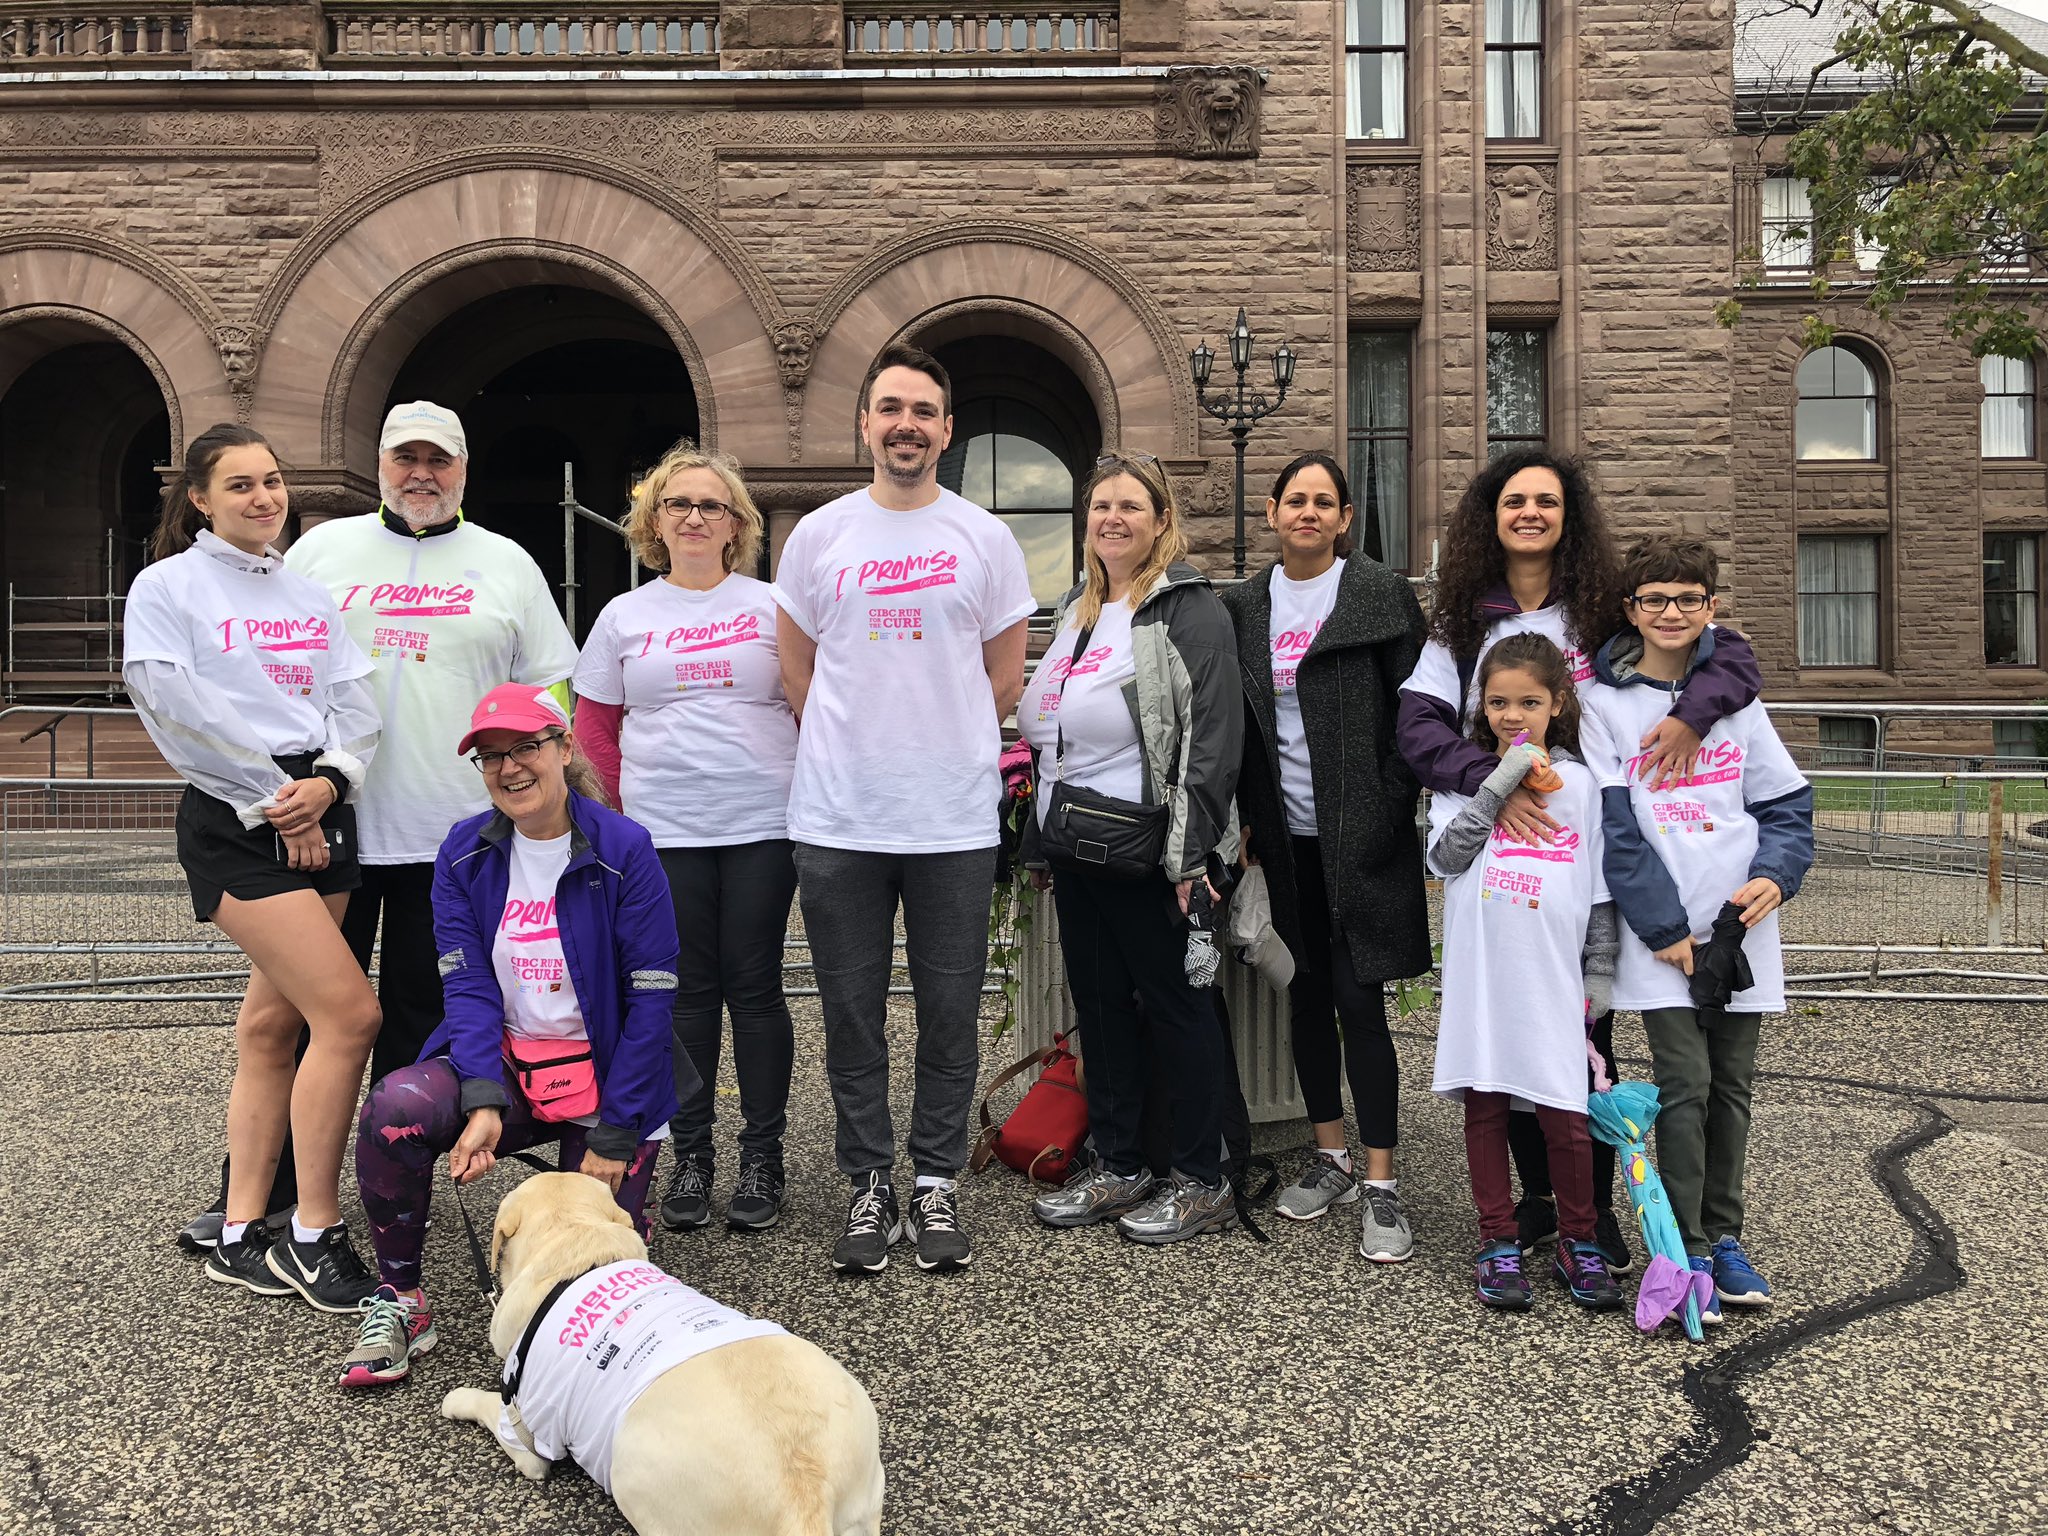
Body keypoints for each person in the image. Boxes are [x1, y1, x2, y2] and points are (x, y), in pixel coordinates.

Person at [1396, 447, 1763, 1271]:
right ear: (1489, 516)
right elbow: (1418, 729)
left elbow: (1723, 655)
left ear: (1570, 517)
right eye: (1515, 500)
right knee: (1508, 1051)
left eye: (1548, 502)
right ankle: (1531, 1208)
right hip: (1501, 833)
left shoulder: (1600, 612)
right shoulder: (1460, 620)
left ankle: (1590, 1214)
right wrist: (1498, 780)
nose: (1531, 512)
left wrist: (1696, 716)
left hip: (1582, 837)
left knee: (1583, 1040)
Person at [771, 342, 1036, 1276]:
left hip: (951, 819)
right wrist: (853, 739)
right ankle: (867, 1181)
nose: (906, 425)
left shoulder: (983, 538)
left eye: (924, 411)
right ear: (866, 423)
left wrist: (947, 738)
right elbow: (794, 663)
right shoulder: (820, 536)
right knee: (848, 1010)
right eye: (891, 408)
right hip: (839, 816)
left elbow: (1006, 670)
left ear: (947, 429)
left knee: (950, 1008)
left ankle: (933, 1183)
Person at [343, 683, 687, 1388]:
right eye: (492, 756)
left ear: (564, 748)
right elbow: (465, 986)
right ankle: (401, 1298)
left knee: (598, 1281)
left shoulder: (626, 848)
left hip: (609, 1075)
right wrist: (479, 1099)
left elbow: (650, 1000)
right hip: (508, 1064)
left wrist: (618, 1133)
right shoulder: (464, 852)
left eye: (527, 747)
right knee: (395, 1109)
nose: (510, 768)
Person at [124, 423, 385, 1310]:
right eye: (240, 485)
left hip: (319, 807)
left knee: (276, 1029)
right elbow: (173, 705)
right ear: (198, 497)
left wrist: (332, 781)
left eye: (272, 482)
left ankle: (240, 1232)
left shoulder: (308, 595)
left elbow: (353, 698)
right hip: (244, 820)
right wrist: (276, 800)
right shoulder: (167, 586)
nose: (264, 498)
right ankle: (313, 1233)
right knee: (350, 1017)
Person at [1580, 536, 1813, 1320]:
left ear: (1711, 607)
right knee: (1686, 1084)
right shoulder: (1604, 705)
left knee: (1734, 1088)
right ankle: (1687, 1241)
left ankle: (1727, 1236)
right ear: (1630, 610)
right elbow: (1617, 829)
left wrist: (1777, 874)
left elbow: (1786, 806)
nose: (1671, 612)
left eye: (1688, 599)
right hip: (1666, 937)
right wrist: (1661, 925)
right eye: (1655, 600)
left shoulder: (1739, 703)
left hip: (1739, 930)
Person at [573, 445, 800, 1234]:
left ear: (737, 524)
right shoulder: (624, 617)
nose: (696, 516)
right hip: (660, 834)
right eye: (679, 504)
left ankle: (763, 1155)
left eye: (713, 505)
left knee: (757, 986)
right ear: (654, 522)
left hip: (762, 822)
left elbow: (809, 706)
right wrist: (613, 825)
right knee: (684, 994)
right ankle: (694, 1153)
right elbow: (595, 731)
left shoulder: (774, 605)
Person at [1021, 453, 1246, 1245]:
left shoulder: (1186, 611)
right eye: (1100, 505)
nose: (1112, 518)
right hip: (1080, 850)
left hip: (1154, 853)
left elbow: (1212, 743)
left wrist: (1190, 863)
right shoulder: (1077, 612)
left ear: (1160, 521)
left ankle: (1202, 1177)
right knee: (1103, 1010)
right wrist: (1039, 847)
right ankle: (1119, 1164)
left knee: (1181, 1011)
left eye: (1130, 506)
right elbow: (1050, 742)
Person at [1220, 451, 1431, 1262]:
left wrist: (1386, 804)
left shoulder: (1378, 595)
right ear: (1271, 513)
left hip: (1362, 839)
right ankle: (1331, 1156)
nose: (1308, 512)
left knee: (1358, 1001)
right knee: (1304, 999)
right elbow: (1234, 725)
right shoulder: (1244, 607)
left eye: (1324, 502)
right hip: (1283, 839)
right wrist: (1244, 815)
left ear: (1346, 518)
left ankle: (1381, 1182)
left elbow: (1417, 714)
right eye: (1294, 500)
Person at [1425, 633, 1621, 1312]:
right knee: (1485, 1110)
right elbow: (1447, 857)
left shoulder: (1584, 788)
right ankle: (1497, 1240)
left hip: (1553, 984)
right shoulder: (1456, 783)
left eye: (1529, 702)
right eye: (1499, 701)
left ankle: (1580, 1237)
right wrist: (1499, 778)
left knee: (1566, 1117)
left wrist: (1600, 976)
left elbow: (1598, 894)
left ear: (1557, 703)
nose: (1513, 714)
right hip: (1484, 983)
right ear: (1480, 704)